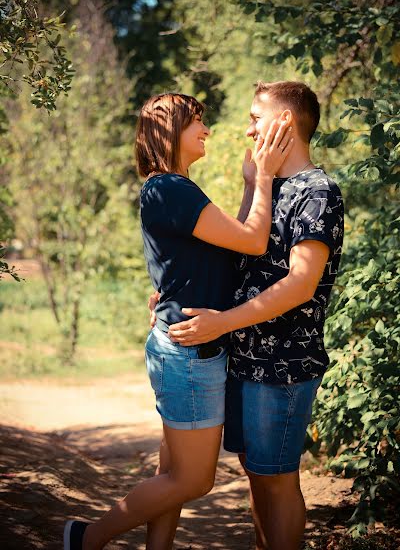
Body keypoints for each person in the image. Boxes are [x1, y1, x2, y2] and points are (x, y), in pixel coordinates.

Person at [63, 92, 293, 550]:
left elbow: (231, 244)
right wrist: (265, 177)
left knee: (172, 471)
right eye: (197, 123)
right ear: (170, 132)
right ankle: (86, 539)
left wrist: (251, 183)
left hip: (185, 345)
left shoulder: (172, 187)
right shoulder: (170, 188)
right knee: (193, 480)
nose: (205, 130)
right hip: (189, 351)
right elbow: (252, 242)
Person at [169, 81, 345, 550]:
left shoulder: (318, 191)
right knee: (254, 473)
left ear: (283, 122)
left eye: (254, 117)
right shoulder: (274, 186)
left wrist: (221, 323)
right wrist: (252, 184)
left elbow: (300, 285)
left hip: (282, 368)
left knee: (277, 480)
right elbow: (242, 252)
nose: (248, 130)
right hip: (243, 359)